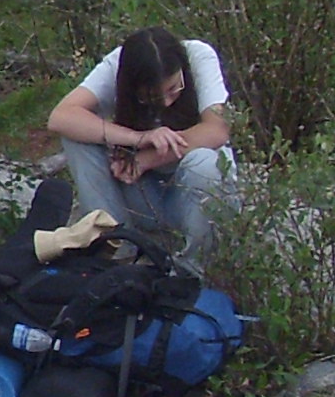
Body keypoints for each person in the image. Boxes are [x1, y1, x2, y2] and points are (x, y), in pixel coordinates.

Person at [45, 25, 234, 259]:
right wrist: (138, 139)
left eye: (174, 89)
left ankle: (195, 266)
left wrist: (146, 159)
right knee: (77, 138)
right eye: (152, 97)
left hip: (190, 196)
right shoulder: (118, 64)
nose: (165, 102)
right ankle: (116, 244)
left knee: (205, 162)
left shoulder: (199, 56)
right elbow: (61, 117)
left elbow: (217, 130)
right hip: (141, 194)